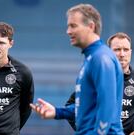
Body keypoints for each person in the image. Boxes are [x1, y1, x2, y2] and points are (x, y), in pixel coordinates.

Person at [30, 4, 125, 135]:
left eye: (73, 26)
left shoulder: (101, 58)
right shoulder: (92, 58)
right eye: (68, 26)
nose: (68, 31)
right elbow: (87, 106)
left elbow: (107, 106)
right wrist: (58, 112)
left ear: (91, 26)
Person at [65, 32, 134, 135]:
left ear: (130, 52)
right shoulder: (95, 79)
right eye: (117, 49)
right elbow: (70, 107)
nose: (122, 54)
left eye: (126, 49)